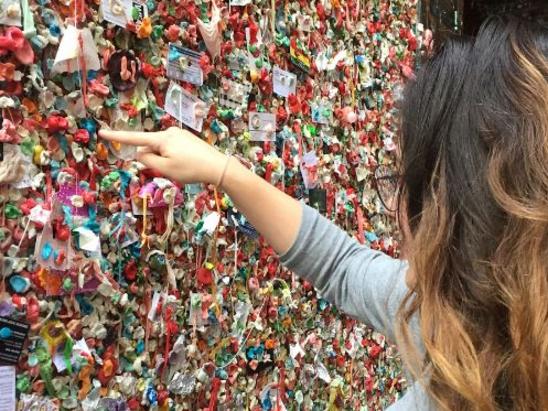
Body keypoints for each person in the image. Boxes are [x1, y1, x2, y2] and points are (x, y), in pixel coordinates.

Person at [100, 16, 548, 411]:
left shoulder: (443, 341)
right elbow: (342, 266)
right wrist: (225, 171)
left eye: (401, 185)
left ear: (456, 222)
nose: (392, 207)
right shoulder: (457, 316)